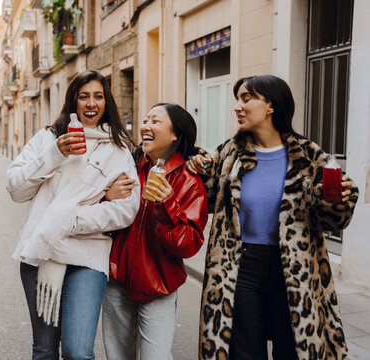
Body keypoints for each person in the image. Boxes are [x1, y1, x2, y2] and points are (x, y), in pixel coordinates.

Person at [187, 75, 359, 359]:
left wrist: (339, 200)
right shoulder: (229, 153)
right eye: (237, 99)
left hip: (293, 265)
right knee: (243, 351)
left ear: (271, 106)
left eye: (247, 98)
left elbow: (333, 221)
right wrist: (198, 168)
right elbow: (204, 200)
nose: (238, 107)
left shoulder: (308, 155)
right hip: (240, 265)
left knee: (292, 349)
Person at [5, 70, 140, 359]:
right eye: (84, 96)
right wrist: (53, 155)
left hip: (87, 258)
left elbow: (126, 210)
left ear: (106, 102)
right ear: (73, 101)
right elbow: (16, 189)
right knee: (44, 349)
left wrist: (70, 220)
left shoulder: (118, 150)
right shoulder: (48, 138)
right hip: (41, 253)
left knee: (78, 352)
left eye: (98, 96)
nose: (91, 103)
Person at [102, 103, 208, 360]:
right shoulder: (127, 166)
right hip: (117, 282)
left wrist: (168, 203)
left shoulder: (190, 182)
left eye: (156, 121)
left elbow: (188, 245)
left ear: (175, 134)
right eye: (146, 119)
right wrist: (106, 197)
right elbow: (102, 219)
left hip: (159, 286)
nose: (145, 126)